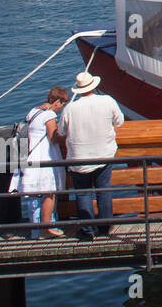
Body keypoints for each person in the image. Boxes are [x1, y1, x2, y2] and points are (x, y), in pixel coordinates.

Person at [56, 71, 124, 241]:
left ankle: (87, 230)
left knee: (83, 194)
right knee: (103, 191)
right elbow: (119, 121)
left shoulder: (70, 108)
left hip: (79, 158)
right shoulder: (107, 101)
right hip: (103, 154)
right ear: (94, 85)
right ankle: (105, 227)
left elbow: (61, 131)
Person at [10, 87, 69, 239]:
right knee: (50, 193)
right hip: (45, 157)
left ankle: (35, 230)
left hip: (30, 158)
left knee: (35, 197)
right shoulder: (49, 115)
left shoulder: (34, 111)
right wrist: (65, 134)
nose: (61, 108)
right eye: (62, 104)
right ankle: (46, 229)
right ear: (57, 101)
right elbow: (53, 138)